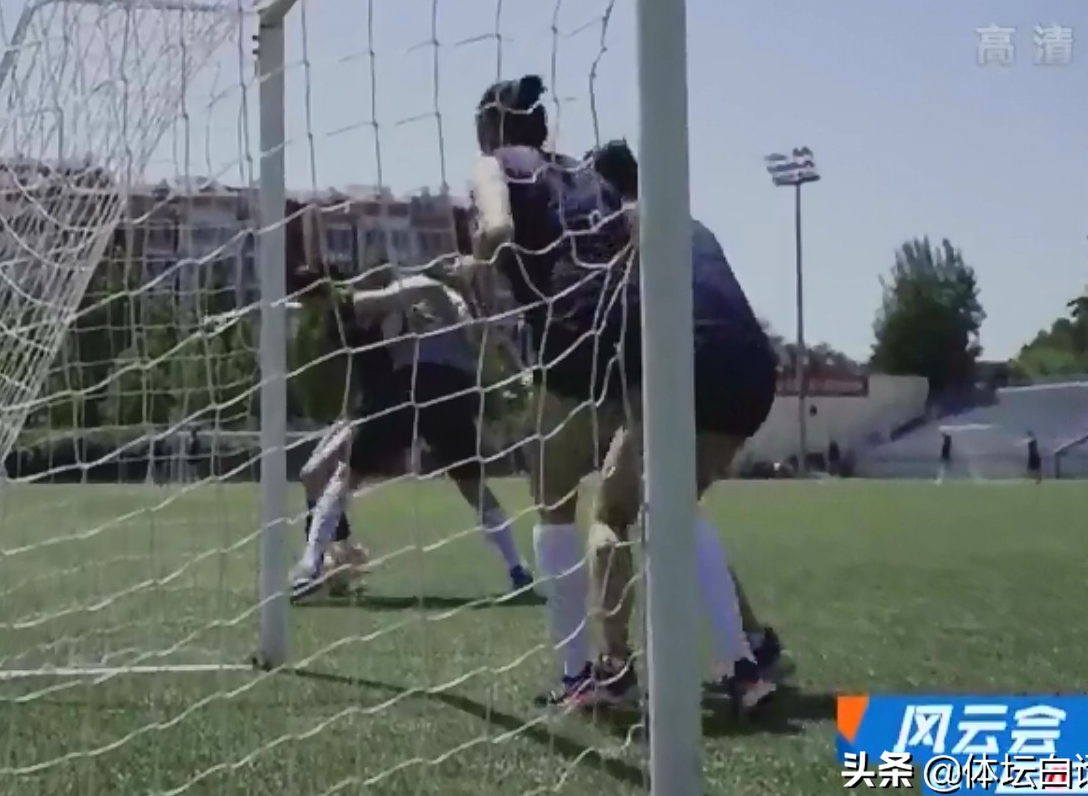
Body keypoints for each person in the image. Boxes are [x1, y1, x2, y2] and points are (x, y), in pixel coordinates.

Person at [467, 74, 777, 714]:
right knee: (665, 501)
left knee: (561, 505)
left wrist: (479, 256)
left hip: (573, 339)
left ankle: (586, 673)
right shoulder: (593, 177)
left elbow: (496, 226)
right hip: (636, 343)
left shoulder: (494, 165)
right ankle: (742, 662)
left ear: (489, 128)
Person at [289, 262, 534, 599]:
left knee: (348, 475)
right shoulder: (453, 311)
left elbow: (403, 298)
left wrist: (358, 300)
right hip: (447, 390)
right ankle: (518, 569)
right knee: (473, 488)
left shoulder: (430, 292)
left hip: (417, 386)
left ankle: (310, 563)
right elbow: (486, 347)